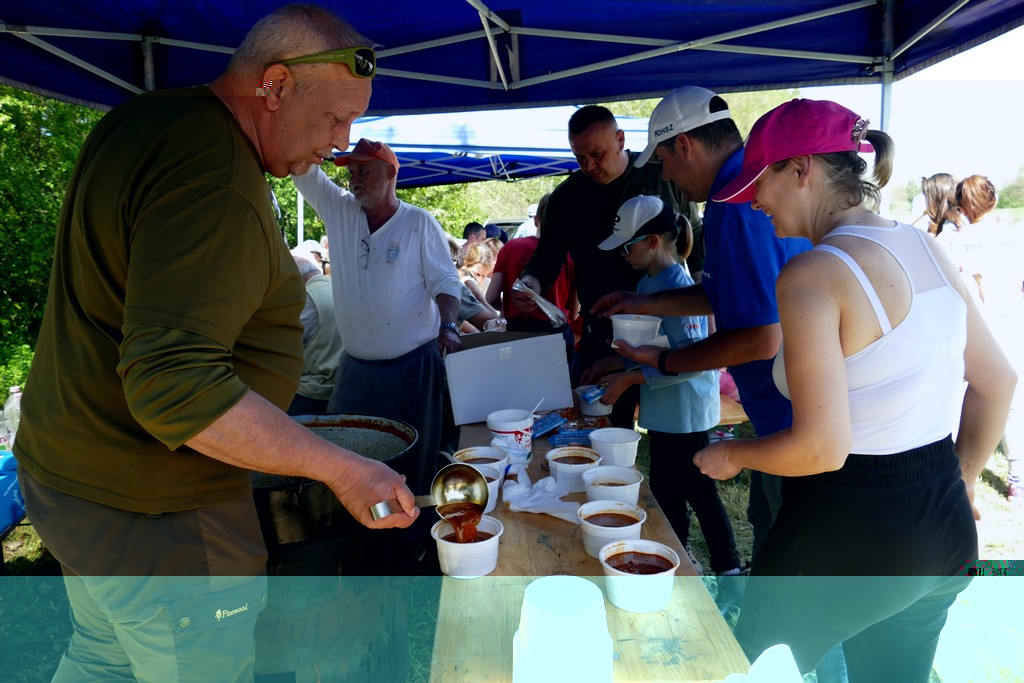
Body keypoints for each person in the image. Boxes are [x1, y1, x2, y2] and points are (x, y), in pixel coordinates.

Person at [11, 5, 418, 681]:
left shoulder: (145, 120)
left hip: (73, 482)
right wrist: (344, 470)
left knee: (103, 659)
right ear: (275, 86)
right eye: (333, 118)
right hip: (158, 513)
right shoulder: (217, 175)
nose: (341, 143)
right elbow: (175, 385)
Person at [692, 98, 1015, 680]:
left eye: (759, 183)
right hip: (943, 525)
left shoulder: (812, 273)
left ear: (801, 169)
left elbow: (821, 449)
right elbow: (997, 381)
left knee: (747, 669)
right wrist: (964, 478)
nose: (755, 202)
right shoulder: (926, 246)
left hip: (847, 527)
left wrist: (732, 455)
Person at [590, 86, 811, 565]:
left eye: (664, 161)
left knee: (789, 554)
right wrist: (641, 303)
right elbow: (723, 294)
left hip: (793, 418)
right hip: (787, 415)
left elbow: (762, 336)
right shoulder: (741, 187)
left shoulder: (738, 200)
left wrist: (667, 361)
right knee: (772, 533)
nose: (666, 174)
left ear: (684, 144)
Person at [291, 138, 462, 505]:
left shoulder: (418, 222)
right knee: (348, 460)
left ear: (390, 174)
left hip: (413, 368)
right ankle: (357, 532)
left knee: (413, 460)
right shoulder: (340, 209)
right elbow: (303, 172)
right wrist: (275, 93)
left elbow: (446, 283)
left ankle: (412, 532)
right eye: (352, 172)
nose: (355, 178)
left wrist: (448, 325)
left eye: (364, 171)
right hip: (356, 370)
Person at [516, 104, 702, 429]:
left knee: (675, 423)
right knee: (602, 425)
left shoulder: (663, 172)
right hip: (605, 331)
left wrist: (708, 306)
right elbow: (547, 255)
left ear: (620, 139)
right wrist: (531, 282)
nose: (589, 166)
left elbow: (696, 241)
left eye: (597, 155)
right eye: (580, 158)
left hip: (672, 324)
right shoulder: (567, 197)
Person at [592, 195, 741, 576]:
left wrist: (629, 378)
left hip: (686, 415)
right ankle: (679, 555)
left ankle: (725, 566)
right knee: (667, 491)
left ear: (653, 241)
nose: (623, 255)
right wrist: (618, 362)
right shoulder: (647, 283)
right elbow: (653, 348)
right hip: (664, 415)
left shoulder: (679, 286)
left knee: (698, 492)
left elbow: (693, 361)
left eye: (627, 246)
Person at [957, 175, 1023, 503]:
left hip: (972, 330)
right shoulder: (1013, 235)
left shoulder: (955, 241)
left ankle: (961, 469)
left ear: (961, 206)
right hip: (1011, 322)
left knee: (964, 397)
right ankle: (1017, 477)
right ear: (993, 200)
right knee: (1012, 402)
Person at [487, 192, 581, 383]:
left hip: (515, 333)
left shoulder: (510, 247)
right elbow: (575, 312)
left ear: (536, 220)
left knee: (519, 390)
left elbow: (491, 297)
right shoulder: (570, 255)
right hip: (554, 334)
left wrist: (509, 308)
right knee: (558, 392)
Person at [288, 255, 344, 415]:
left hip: (309, 390)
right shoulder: (337, 287)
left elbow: (284, 344)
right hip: (339, 384)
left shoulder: (306, 298)